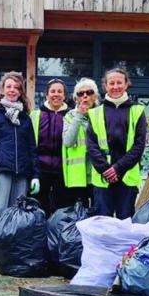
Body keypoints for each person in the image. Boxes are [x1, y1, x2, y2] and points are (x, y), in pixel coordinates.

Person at [0, 71, 40, 273]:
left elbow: (32, 149)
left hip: (21, 173)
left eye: (16, 87)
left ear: (21, 91)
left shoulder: (25, 118)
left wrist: (35, 175)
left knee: (17, 218)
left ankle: (12, 256)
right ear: (2, 89)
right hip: (1, 171)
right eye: (9, 86)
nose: (12, 90)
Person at [86, 68, 147, 219]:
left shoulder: (137, 111)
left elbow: (139, 145)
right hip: (103, 175)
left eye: (119, 82)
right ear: (105, 86)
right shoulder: (94, 113)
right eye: (111, 83)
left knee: (125, 221)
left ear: (126, 84)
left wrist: (118, 169)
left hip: (127, 174)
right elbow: (91, 146)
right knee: (102, 222)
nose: (115, 86)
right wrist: (106, 169)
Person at [30, 78, 72, 216]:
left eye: (60, 91)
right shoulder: (36, 115)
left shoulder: (71, 116)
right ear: (47, 95)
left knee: (62, 211)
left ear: (64, 95)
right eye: (52, 91)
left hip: (63, 173)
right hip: (40, 171)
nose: (56, 94)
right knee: (40, 210)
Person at [62, 77, 100, 208]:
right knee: (79, 217)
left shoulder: (102, 115)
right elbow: (68, 142)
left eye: (89, 93)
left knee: (98, 215)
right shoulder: (70, 117)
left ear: (95, 96)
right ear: (76, 98)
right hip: (78, 177)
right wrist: (78, 116)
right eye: (80, 94)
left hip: (99, 174)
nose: (85, 96)